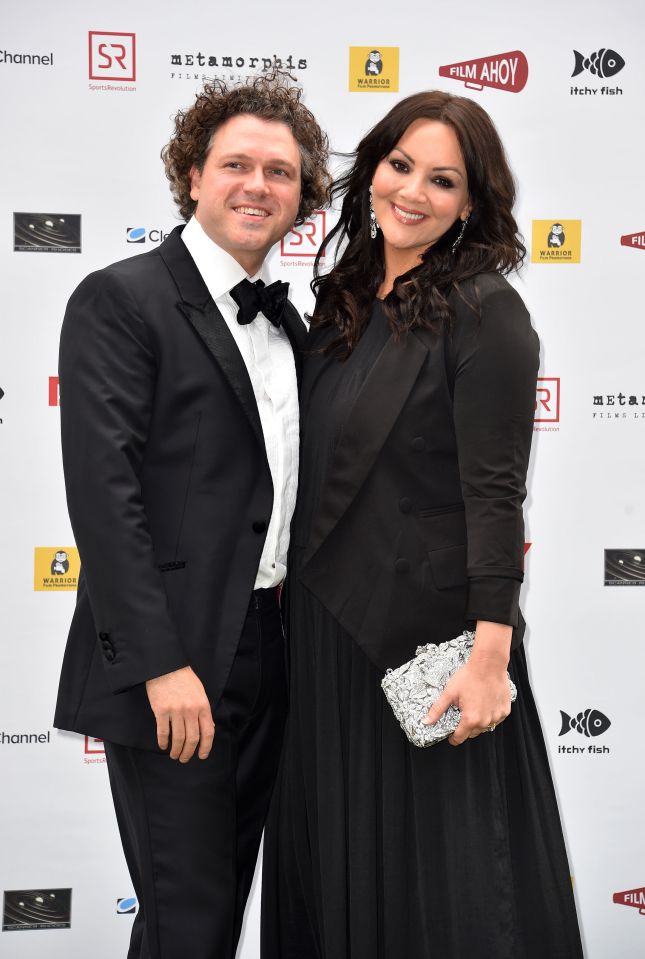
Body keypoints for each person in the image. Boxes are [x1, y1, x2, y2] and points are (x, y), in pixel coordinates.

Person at [261, 91, 584, 958]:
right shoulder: (340, 302)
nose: (412, 191)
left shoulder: (484, 310)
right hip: (323, 635)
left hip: (428, 649)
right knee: (333, 869)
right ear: (371, 169)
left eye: (442, 180)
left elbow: (494, 494)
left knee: (444, 891)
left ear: (470, 202)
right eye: (400, 166)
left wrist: (490, 658)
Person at [53, 73, 330, 959]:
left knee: (229, 907)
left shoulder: (296, 323)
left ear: (302, 196)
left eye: (280, 172)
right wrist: (161, 664)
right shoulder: (123, 298)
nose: (257, 185)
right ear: (192, 176)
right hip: (177, 658)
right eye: (236, 164)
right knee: (191, 916)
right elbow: (105, 497)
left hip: (278, 647)